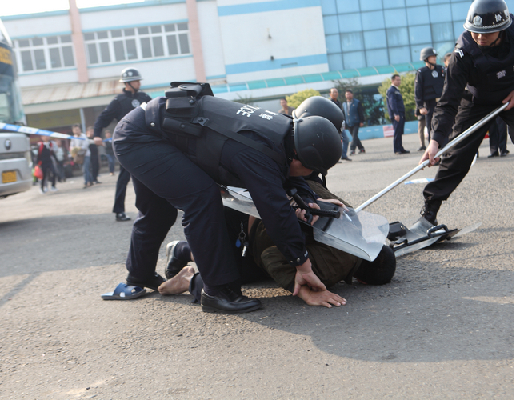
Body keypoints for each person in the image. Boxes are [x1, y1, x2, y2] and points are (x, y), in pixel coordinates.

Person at [110, 82, 342, 313]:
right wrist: (303, 265)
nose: (311, 176)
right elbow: (275, 212)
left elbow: (287, 172)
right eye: (312, 171)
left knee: (157, 210)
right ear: (299, 159)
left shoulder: (285, 132)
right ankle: (217, 292)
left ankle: (138, 275)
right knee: (202, 198)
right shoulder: (257, 155)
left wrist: (308, 197)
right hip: (140, 138)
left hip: (155, 126)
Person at [419, 0, 514, 231]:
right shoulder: (462, 53)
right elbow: (448, 102)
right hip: (476, 101)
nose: (479, 38)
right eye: (474, 32)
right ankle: (429, 212)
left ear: (503, 28)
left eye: (486, 33)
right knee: (457, 155)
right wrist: (435, 141)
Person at [160, 181, 396, 308]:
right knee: (226, 280)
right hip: (247, 220)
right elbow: (272, 257)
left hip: (252, 193)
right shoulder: (333, 270)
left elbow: (311, 186)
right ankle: (189, 279)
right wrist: (304, 292)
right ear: (362, 280)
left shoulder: (351, 218)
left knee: (231, 267)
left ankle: (181, 250)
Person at [93, 68, 152, 222]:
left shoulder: (144, 97)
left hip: (145, 143)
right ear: (127, 83)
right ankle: (119, 211)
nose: (139, 83)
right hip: (127, 146)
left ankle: (150, 209)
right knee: (124, 178)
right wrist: (97, 135)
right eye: (136, 80)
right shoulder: (118, 101)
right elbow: (102, 118)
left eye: (139, 80)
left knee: (151, 176)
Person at [415, 47, 445, 152]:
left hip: (442, 104)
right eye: (432, 56)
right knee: (432, 129)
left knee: (445, 127)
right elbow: (418, 90)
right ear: (426, 58)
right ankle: (434, 153)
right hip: (429, 105)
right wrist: (420, 106)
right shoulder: (421, 72)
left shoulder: (441, 69)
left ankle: (445, 153)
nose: (434, 58)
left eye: (435, 56)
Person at [386, 74, 410, 155]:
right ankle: (396, 149)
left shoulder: (396, 90)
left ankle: (400, 147)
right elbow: (392, 103)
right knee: (397, 132)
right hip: (397, 114)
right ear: (392, 81)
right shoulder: (391, 90)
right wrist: (396, 113)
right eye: (397, 80)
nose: (399, 81)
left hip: (400, 113)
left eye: (399, 80)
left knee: (399, 131)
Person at [329, 88, 351, 161]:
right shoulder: (328, 103)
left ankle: (343, 155)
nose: (335, 94)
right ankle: (334, 159)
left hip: (340, 126)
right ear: (330, 94)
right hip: (332, 126)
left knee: (346, 140)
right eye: (333, 92)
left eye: (336, 92)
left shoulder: (339, 103)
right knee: (334, 143)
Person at [342, 89, 366, 155]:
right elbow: (343, 114)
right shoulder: (344, 104)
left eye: (349, 94)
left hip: (356, 121)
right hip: (348, 123)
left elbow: (360, 112)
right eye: (347, 94)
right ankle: (361, 148)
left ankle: (352, 149)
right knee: (354, 137)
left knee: (354, 136)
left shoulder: (357, 102)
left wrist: (361, 121)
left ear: (352, 94)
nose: (348, 95)